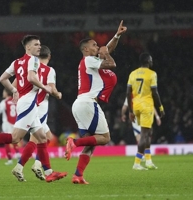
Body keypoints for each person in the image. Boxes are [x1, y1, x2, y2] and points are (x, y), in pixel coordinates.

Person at [0, 35, 67, 182]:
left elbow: (2, 78)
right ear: (28, 47)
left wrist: (14, 91)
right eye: (36, 44)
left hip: (26, 101)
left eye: (40, 44)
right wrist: (45, 87)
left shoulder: (16, 62)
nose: (39, 47)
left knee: (42, 138)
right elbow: (31, 78)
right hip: (28, 102)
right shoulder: (33, 60)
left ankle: (49, 173)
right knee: (15, 137)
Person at [65, 20, 127, 184]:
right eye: (94, 45)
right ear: (86, 49)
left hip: (79, 103)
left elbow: (107, 49)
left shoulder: (90, 62)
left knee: (91, 143)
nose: (97, 46)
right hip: (88, 103)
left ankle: (78, 175)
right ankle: (74, 142)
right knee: (105, 138)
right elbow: (112, 63)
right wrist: (105, 52)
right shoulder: (89, 60)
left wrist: (116, 36)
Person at [27, 45, 62, 180]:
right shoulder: (49, 70)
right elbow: (52, 89)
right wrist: (58, 94)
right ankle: (20, 166)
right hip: (40, 107)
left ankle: (38, 164)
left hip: (30, 104)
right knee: (35, 139)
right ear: (49, 56)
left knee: (47, 137)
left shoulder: (31, 69)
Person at [126, 53, 165, 170]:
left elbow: (128, 93)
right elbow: (155, 92)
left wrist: (130, 111)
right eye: (151, 59)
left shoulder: (133, 73)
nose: (152, 61)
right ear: (148, 61)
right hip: (146, 106)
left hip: (136, 105)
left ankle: (148, 161)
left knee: (148, 132)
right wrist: (161, 107)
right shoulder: (152, 74)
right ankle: (137, 163)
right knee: (144, 135)